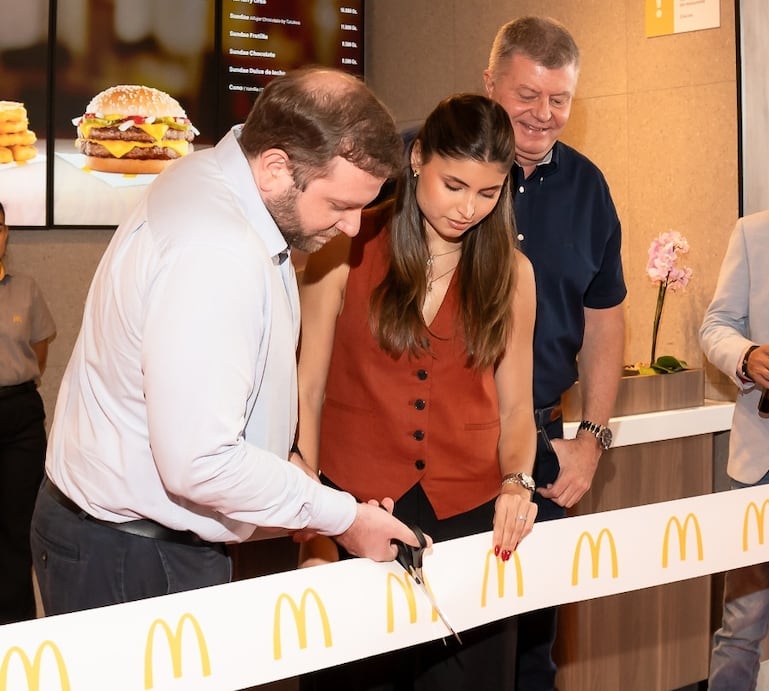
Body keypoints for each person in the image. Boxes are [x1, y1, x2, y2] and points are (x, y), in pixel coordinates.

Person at [30, 67, 427, 616]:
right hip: (135, 559)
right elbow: (201, 461)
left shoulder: (212, 174)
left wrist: (292, 475)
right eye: (339, 206)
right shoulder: (217, 251)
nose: (354, 228)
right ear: (275, 168)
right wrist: (344, 518)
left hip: (118, 541)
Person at [296, 93, 538, 690]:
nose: (468, 209)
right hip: (354, 513)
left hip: (470, 520)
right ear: (416, 158)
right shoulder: (343, 243)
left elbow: (515, 409)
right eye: (454, 185)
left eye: (488, 193)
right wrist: (311, 523)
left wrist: (517, 482)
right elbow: (307, 389)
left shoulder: (513, 273)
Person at [482, 16, 627, 690]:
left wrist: (592, 437)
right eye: (527, 95)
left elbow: (604, 323)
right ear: (490, 84)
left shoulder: (590, 190)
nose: (543, 115)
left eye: (559, 99)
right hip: (445, 437)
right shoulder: (426, 163)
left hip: (545, 436)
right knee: (445, 644)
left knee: (533, 648)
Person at [700, 210, 769, 690]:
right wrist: (746, 357)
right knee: (741, 626)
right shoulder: (754, 231)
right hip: (760, 464)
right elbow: (716, 326)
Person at [0, 200, 56, 624]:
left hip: (19, 415)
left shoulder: (26, 288)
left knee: (17, 530)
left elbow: (37, 355)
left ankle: (16, 631)